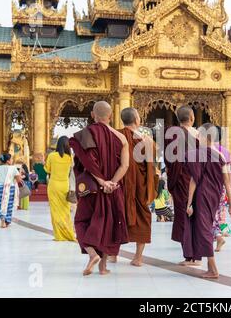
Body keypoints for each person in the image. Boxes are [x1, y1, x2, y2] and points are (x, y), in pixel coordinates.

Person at [69, 101, 129, 276]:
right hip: (113, 189)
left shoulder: (86, 134)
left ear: (93, 115)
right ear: (110, 116)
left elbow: (88, 162)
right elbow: (124, 166)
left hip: (92, 189)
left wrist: (103, 182)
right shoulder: (121, 138)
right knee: (106, 225)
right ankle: (103, 268)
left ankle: (92, 254)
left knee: (81, 222)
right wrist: (112, 183)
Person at [184, 123, 231, 279]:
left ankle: (213, 269)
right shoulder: (221, 156)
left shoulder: (196, 154)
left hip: (201, 195)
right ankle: (210, 267)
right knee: (207, 227)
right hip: (215, 195)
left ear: (201, 136)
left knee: (204, 229)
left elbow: (194, 181)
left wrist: (189, 203)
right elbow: (227, 181)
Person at [119, 108, 157, 267]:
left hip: (120, 185)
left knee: (116, 217)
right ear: (137, 120)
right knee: (143, 218)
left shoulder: (117, 136)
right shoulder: (146, 140)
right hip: (140, 187)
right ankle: (138, 257)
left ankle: (112, 254)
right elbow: (153, 165)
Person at [164, 105, 200, 266]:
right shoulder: (201, 136)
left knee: (183, 217)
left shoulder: (171, 135)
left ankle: (191, 256)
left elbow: (169, 160)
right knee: (196, 217)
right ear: (192, 118)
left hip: (181, 181)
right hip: (198, 182)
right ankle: (195, 255)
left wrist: (171, 181)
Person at [44, 136, 77, 242]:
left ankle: (59, 236)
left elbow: (47, 169)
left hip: (53, 185)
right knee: (65, 211)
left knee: (55, 211)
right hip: (65, 185)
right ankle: (69, 234)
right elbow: (72, 171)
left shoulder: (52, 156)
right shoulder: (70, 157)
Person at [0, 154, 23, 228]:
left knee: (0, 204)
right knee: (9, 205)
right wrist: (19, 174)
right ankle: (7, 221)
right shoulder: (13, 168)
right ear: (7, 161)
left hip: (0, 188)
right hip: (10, 188)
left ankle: (2, 220)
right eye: (11, 159)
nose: (12, 160)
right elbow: (19, 180)